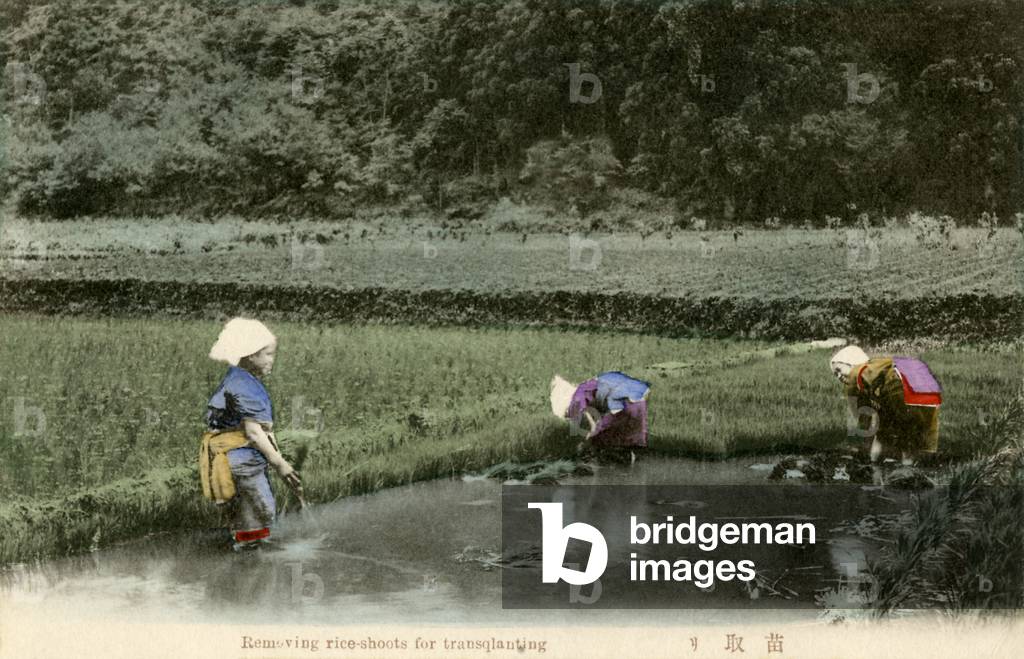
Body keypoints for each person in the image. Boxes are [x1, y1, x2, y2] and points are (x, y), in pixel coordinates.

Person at [199, 318, 302, 550]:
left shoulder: (238, 378)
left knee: (248, 514)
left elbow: (263, 431)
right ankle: (253, 560)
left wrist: (277, 458)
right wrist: (281, 465)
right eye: (268, 354)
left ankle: (247, 553)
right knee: (262, 509)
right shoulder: (245, 387)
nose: (272, 360)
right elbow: (254, 433)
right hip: (240, 460)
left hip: (233, 458)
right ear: (250, 356)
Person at [829, 345, 941, 477]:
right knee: (923, 430)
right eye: (835, 374)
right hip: (927, 387)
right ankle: (926, 466)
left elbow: (863, 419)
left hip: (899, 385)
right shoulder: (879, 368)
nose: (838, 376)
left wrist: (861, 445)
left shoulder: (857, 372)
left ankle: (900, 466)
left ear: (851, 362)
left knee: (901, 426)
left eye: (838, 370)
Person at [550, 371, 652, 456]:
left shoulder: (578, 395)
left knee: (601, 435)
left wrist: (589, 437)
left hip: (623, 399)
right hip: (637, 398)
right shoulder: (589, 387)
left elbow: (592, 422)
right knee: (630, 440)